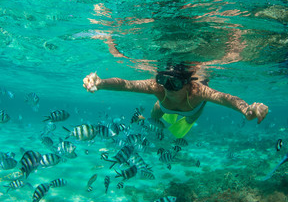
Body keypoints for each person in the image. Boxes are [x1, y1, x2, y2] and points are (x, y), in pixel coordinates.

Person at [82, 63, 269, 138]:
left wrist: (246, 110)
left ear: (188, 83)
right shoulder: (156, 87)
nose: (167, 87)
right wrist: (102, 82)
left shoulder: (198, 91)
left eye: (176, 82)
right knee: (155, 115)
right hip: (163, 107)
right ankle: (160, 123)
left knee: (187, 122)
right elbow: (126, 84)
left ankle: (179, 122)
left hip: (191, 109)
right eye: (163, 80)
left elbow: (227, 99)